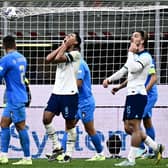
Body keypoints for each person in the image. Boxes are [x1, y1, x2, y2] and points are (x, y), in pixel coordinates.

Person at [103, 31, 164, 167]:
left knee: (135, 126)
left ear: (142, 41)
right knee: (127, 127)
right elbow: (124, 70)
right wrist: (109, 79)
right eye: (132, 36)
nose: (132, 37)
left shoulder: (146, 56)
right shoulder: (134, 56)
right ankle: (156, 147)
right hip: (131, 95)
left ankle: (131, 160)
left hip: (138, 94)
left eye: (136, 36)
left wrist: (130, 52)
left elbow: (134, 68)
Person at [43, 32, 81, 163]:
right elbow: (48, 59)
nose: (68, 36)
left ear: (75, 42)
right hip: (56, 92)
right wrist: (64, 45)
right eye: (68, 35)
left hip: (69, 93)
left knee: (69, 124)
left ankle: (68, 154)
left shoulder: (76, 54)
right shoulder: (64, 48)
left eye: (72, 36)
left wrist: (65, 45)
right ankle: (57, 146)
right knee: (46, 118)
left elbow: (58, 58)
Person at [57, 58, 105, 162]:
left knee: (89, 129)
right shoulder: (70, 65)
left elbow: (78, 85)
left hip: (85, 103)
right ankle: (62, 154)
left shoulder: (80, 64)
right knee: (69, 127)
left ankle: (100, 153)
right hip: (75, 102)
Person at [111, 57, 158, 159]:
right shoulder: (134, 60)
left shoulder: (146, 58)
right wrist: (119, 87)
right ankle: (154, 149)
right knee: (144, 122)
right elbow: (132, 79)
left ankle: (143, 149)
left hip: (147, 95)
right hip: (138, 95)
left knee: (133, 124)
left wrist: (144, 92)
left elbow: (154, 78)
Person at [0, 35, 32, 165]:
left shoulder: (6, 59)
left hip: (14, 98)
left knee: (20, 127)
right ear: (15, 45)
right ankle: (4, 155)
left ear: (4, 46)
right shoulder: (22, 58)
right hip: (18, 95)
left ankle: (27, 158)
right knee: (4, 124)